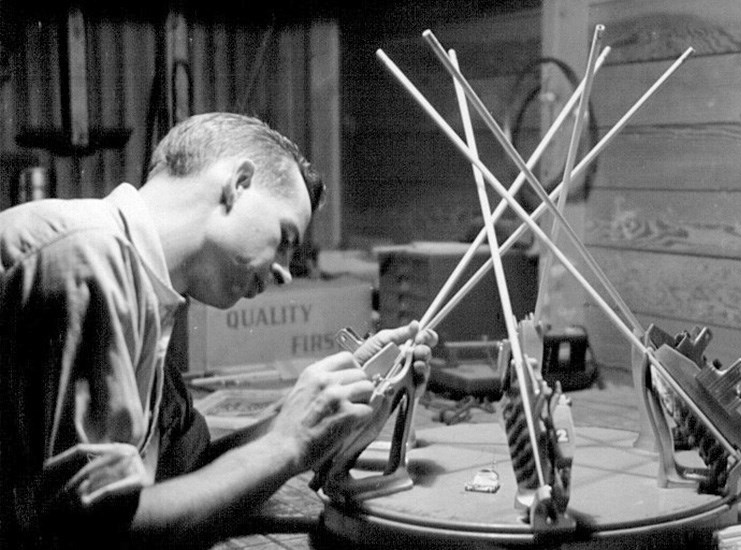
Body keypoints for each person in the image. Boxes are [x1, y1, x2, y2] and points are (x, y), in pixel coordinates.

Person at [0, 112, 437, 549]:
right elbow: (94, 531)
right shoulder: (89, 254)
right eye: (285, 238)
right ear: (239, 183)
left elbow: (187, 479)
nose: (285, 272)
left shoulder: (149, 294)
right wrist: (289, 442)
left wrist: (315, 417)